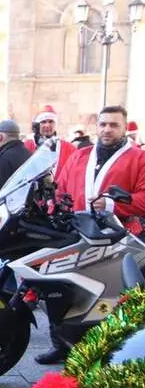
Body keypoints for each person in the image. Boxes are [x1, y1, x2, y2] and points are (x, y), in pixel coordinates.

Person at [41, 105, 145, 364]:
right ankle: (62, 344)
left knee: (111, 298)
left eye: (114, 125)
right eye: (104, 124)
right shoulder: (80, 155)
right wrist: (53, 207)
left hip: (118, 237)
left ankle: (114, 352)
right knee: (63, 290)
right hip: (77, 232)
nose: (107, 129)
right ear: (96, 127)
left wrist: (113, 204)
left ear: (124, 129)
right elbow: (61, 188)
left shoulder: (138, 158)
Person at [0, 120, 31, 209]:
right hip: (24, 211)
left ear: (0, 137)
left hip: (7, 214)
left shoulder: (3, 158)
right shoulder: (27, 153)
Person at [25, 105, 74, 175]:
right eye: (43, 122)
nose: (47, 125)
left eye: (51, 121)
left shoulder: (68, 148)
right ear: (37, 125)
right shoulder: (27, 145)